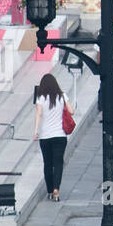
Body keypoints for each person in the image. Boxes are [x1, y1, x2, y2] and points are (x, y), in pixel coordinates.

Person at [33, 73, 69, 201]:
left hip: (45, 136)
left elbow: (39, 114)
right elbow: (71, 111)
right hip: (60, 135)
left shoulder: (40, 98)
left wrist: (36, 131)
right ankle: (56, 189)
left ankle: (49, 190)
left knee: (47, 163)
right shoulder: (62, 96)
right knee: (58, 163)